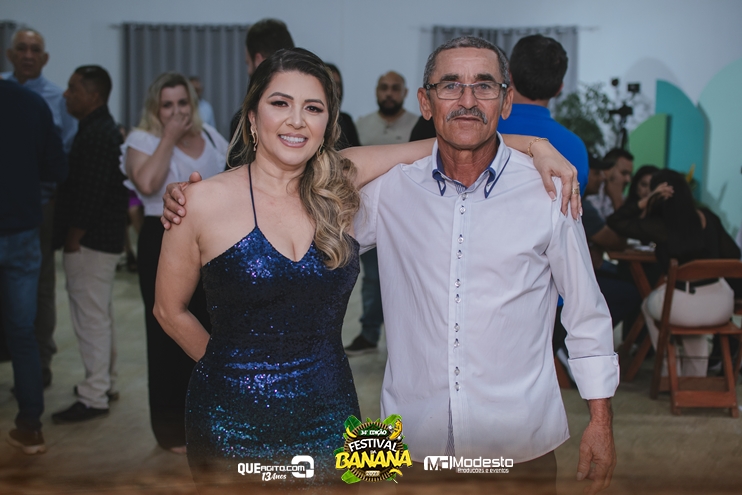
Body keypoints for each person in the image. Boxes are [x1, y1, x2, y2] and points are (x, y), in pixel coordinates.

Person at [160, 41, 599, 493]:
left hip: (332, 412)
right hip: (232, 417)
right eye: (280, 104)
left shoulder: (338, 186)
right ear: (252, 116)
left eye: (313, 108)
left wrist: (537, 146)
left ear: (328, 122)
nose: (296, 120)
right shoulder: (202, 201)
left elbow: (451, 138)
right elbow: (167, 310)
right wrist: (229, 373)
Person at [120, 72, 228, 453]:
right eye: (167, 105)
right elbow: (147, 184)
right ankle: (169, 427)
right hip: (161, 235)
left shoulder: (212, 136)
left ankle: (209, 417)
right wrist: (168, 137)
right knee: (166, 332)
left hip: (210, 241)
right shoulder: (142, 140)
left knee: (210, 325)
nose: (177, 111)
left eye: (183, 103)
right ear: (155, 108)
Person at [51, 65, 128, 423]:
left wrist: (73, 238)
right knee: (99, 314)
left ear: (93, 95)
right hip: (101, 238)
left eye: (73, 88)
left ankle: (94, 394)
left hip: (91, 241)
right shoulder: (99, 129)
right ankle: (104, 382)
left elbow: (91, 194)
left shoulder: (97, 134)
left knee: (91, 317)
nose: (66, 94)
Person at [607, 169, 740, 376]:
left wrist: (647, 200)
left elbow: (615, 221)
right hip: (721, 306)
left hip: (683, 307)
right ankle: (695, 377)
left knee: (649, 305)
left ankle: (669, 371)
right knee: (692, 322)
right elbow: (734, 253)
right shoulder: (710, 218)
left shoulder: (662, 226)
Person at [2, 27, 78, 388]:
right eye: (22, 48)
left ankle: (40, 357)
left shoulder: (55, 99)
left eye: (35, 49)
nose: (28, 55)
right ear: (10, 54)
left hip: (39, 205)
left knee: (40, 285)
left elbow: (63, 158)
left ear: (45, 58)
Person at [1, 78, 67, 454]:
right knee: (22, 332)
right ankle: (30, 427)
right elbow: (56, 167)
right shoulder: (31, 103)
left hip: (22, 228)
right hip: (23, 229)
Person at [345, 70, 418, 355]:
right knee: (372, 279)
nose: (389, 93)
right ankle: (369, 333)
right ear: (376, 91)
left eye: (395, 88)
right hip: (367, 215)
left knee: (409, 280)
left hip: (409, 218)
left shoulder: (417, 125)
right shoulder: (362, 125)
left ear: (405, 93)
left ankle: (407, 343)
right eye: (384, 88)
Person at [227, 18, 295, 167]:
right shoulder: (333, 119)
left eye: (248, 63)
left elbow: (234, 173)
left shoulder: (243, 120)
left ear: (258, 60)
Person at [587, 148, 634, 220]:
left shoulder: (625, 200)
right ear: (607, 170)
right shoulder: (591, 192)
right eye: (623, 173)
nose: (628, 180)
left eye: (630, 175)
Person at [325, 63, 360, 150]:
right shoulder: (312, 119)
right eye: (330, 85)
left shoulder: (346, 120)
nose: (335, 91)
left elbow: (356, 150)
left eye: (337, 85)